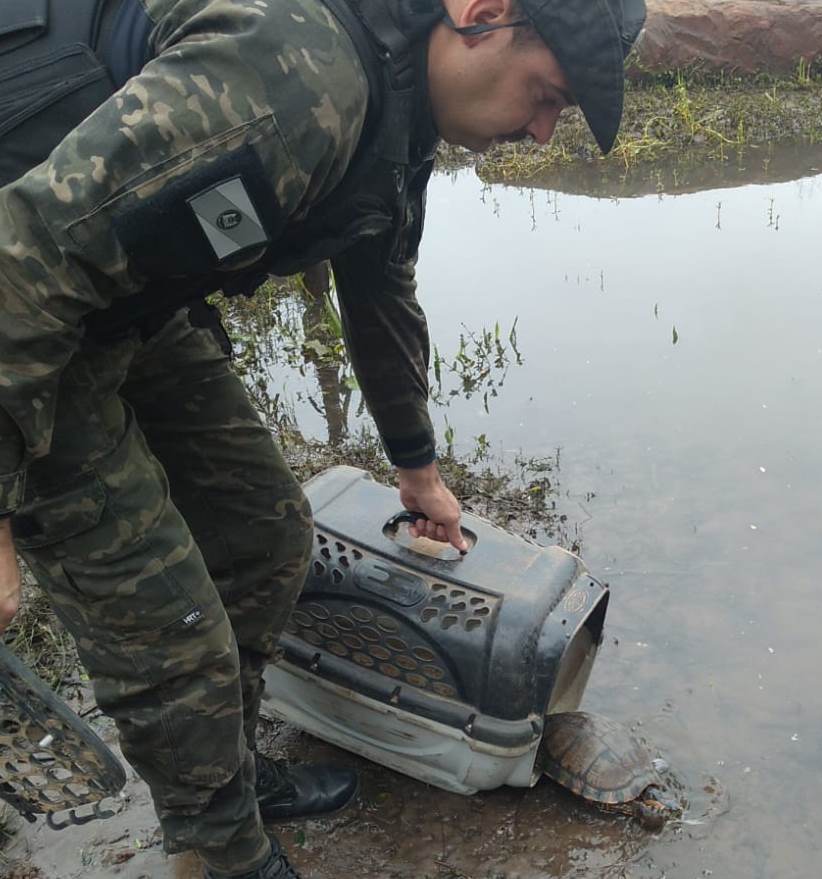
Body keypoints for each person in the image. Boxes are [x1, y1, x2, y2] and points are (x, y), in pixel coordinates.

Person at [0, 0, 644, 875]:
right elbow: (23, 258)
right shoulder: (296, 83)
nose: (539, 131)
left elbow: (379, 279)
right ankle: (222, 851)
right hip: (25, 300)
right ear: (482, 12)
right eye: (546, 95)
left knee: (263, 535)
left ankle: (231, 775)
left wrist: (416, 468)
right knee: (166, 622)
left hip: (119, 293)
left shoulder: (401, 94)